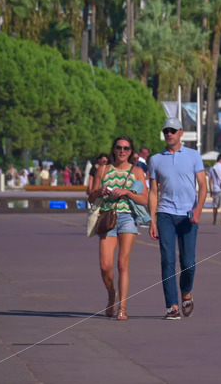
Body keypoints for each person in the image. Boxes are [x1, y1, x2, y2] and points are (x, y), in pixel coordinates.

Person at [148, 117, 207, 320]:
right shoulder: (156, 159)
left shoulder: (193, 155)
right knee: (167, 261)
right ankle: (172, 306)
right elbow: (153, 192)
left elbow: (203, 185)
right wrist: (152, 220)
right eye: (166, 131)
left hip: (188, 215)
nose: (169, 133)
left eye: (173, 130)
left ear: (181, 132)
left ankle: (186, 292)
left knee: (189, 263)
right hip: (165, 214)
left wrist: (198, 209)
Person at [88, 136, 148, 321]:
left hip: (127, 218)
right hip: (107, 217)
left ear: (131, 152)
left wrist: (127, 192)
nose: (122, 151)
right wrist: (101, 191)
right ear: (114, 149)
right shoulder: (103, 169)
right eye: (119, 147)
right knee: (105, 266)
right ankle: (111, 294)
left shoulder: (136, 171)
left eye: (126, 148)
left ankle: (122, 308)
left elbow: (144, 199)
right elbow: (91, 197)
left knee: (122, 264)